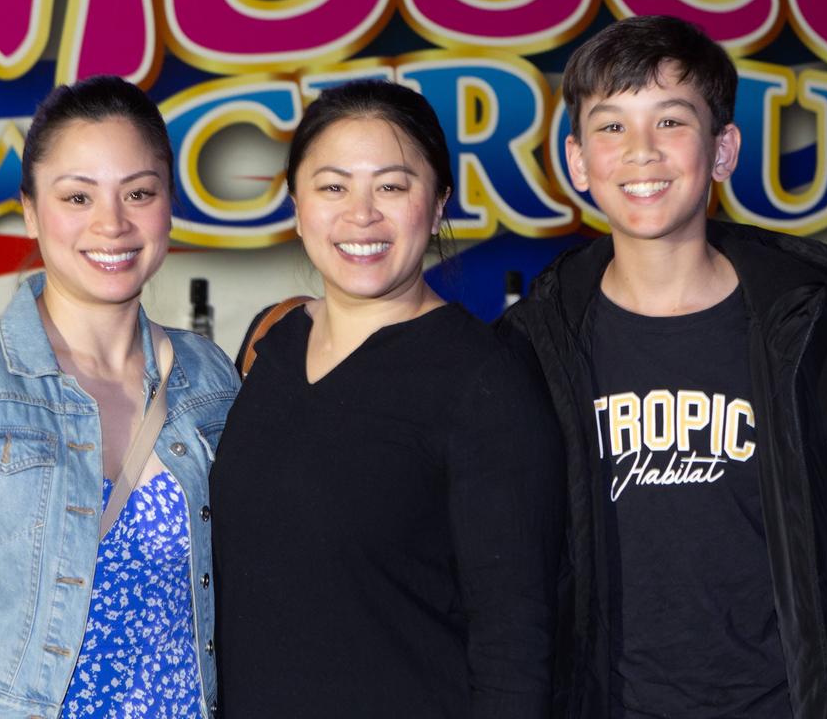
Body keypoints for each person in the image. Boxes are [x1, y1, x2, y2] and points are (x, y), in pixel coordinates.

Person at [497, 15, 827, 719]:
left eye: (671, 120)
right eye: (611, 127)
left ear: (724, 149)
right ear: (577, 162)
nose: (642, 152)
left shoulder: (820, 338)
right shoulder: (530, 353)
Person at [0, 76, 237, 718]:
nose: (111, 224)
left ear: (168, 204)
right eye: (78, 196)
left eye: (138, 193)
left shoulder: (210, 379)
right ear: (31, 211)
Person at [208, 80, 564, 718]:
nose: (361, 214)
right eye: (334, 186)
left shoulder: (484, 380)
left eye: (392, 186)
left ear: (437, 204)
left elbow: (516, 643)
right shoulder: (272, 344)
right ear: (297, 205)